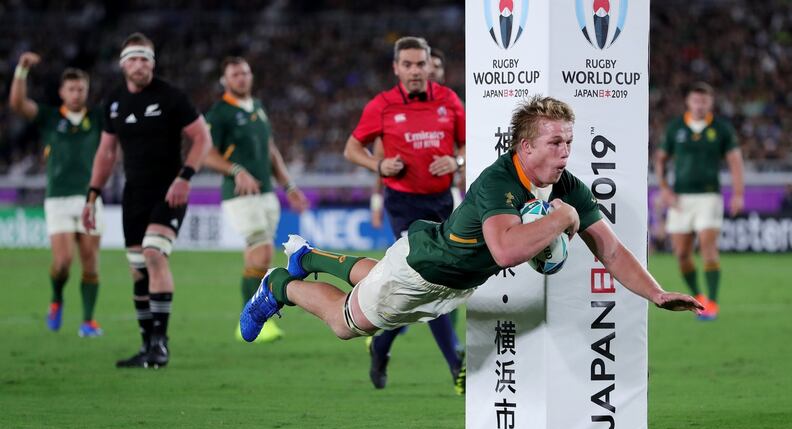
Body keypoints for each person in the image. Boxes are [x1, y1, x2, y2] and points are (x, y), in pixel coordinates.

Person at [240, 96, 702, 393]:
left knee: (375, 277)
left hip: (451, 278)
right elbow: (505, 251)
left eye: (569, 142)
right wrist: (561, 219)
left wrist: (656, 293)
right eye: (556, 142)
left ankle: (309, 257)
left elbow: (612, 251)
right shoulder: (499, 182)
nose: (565, 151)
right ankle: (281, 285)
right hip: (423, 271)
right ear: (524, 146)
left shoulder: (566, 185)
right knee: (347, 324)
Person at [82, 32, 211, 368]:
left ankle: (161, 342)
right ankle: (146, 346)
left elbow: (202, 138)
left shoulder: (171, 96)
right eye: (134, 59)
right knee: (137, 271)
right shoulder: (112, 102)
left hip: (169, 190)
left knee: (154, 252)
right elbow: (106, 152)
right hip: (133, 194)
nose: (140, 65)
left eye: (146, 59)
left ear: (153, 63)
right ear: (123, 64)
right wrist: (92, 194)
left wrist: (185, 176)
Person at [344, 37, 466, 393]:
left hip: (443, 202)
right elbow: (351, 149)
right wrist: (378, 164)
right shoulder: (381, 106)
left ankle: (381, 345)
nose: (415, 70)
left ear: (430, 66)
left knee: (421, 289)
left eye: (420, 64)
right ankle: (456, 362)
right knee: (430, 278)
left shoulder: (449, 101)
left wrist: (457, 160)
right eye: (408, 65)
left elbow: (469, 142)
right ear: (396, 68)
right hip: (404, 206)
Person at [204, 57, 308, 343]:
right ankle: (248, 319)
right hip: (241, 195)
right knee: (261, 252)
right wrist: (236, 170)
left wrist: (288, 186)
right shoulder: (220, 113)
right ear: (225, 80)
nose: (241, 78)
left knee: (258, 256)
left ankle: (251, 320)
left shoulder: (258, 107)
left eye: (245, 73)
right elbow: (207, 153)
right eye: (235, 74)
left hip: (265, 193)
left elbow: (270, 150)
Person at [9, 53, 104, 337]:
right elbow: (17, 104)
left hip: (90, 199)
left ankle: (88, 321)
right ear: (62, 92)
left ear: (87, 92)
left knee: (90, 260)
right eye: (71, 89)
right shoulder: (50, 117)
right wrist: (22, 71)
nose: (76, 94)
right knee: (62, 263)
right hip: (58, 199)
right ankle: (57, 298)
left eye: (81, 89)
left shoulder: (97, 118)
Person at [654, 82, 745, 320]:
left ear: (710, 103)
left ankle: (712, 303)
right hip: (680, 199)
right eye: (696, 100)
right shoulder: (676, 128)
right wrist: (664, 189)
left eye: (704, 101)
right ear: (688, 102)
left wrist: (737, 194)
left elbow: (735, 161)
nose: (700, 104)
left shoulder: (721, 129)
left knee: (708, 247)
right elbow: (661, 159)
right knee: (682, 254)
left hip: (709, 197)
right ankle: (699, 297)